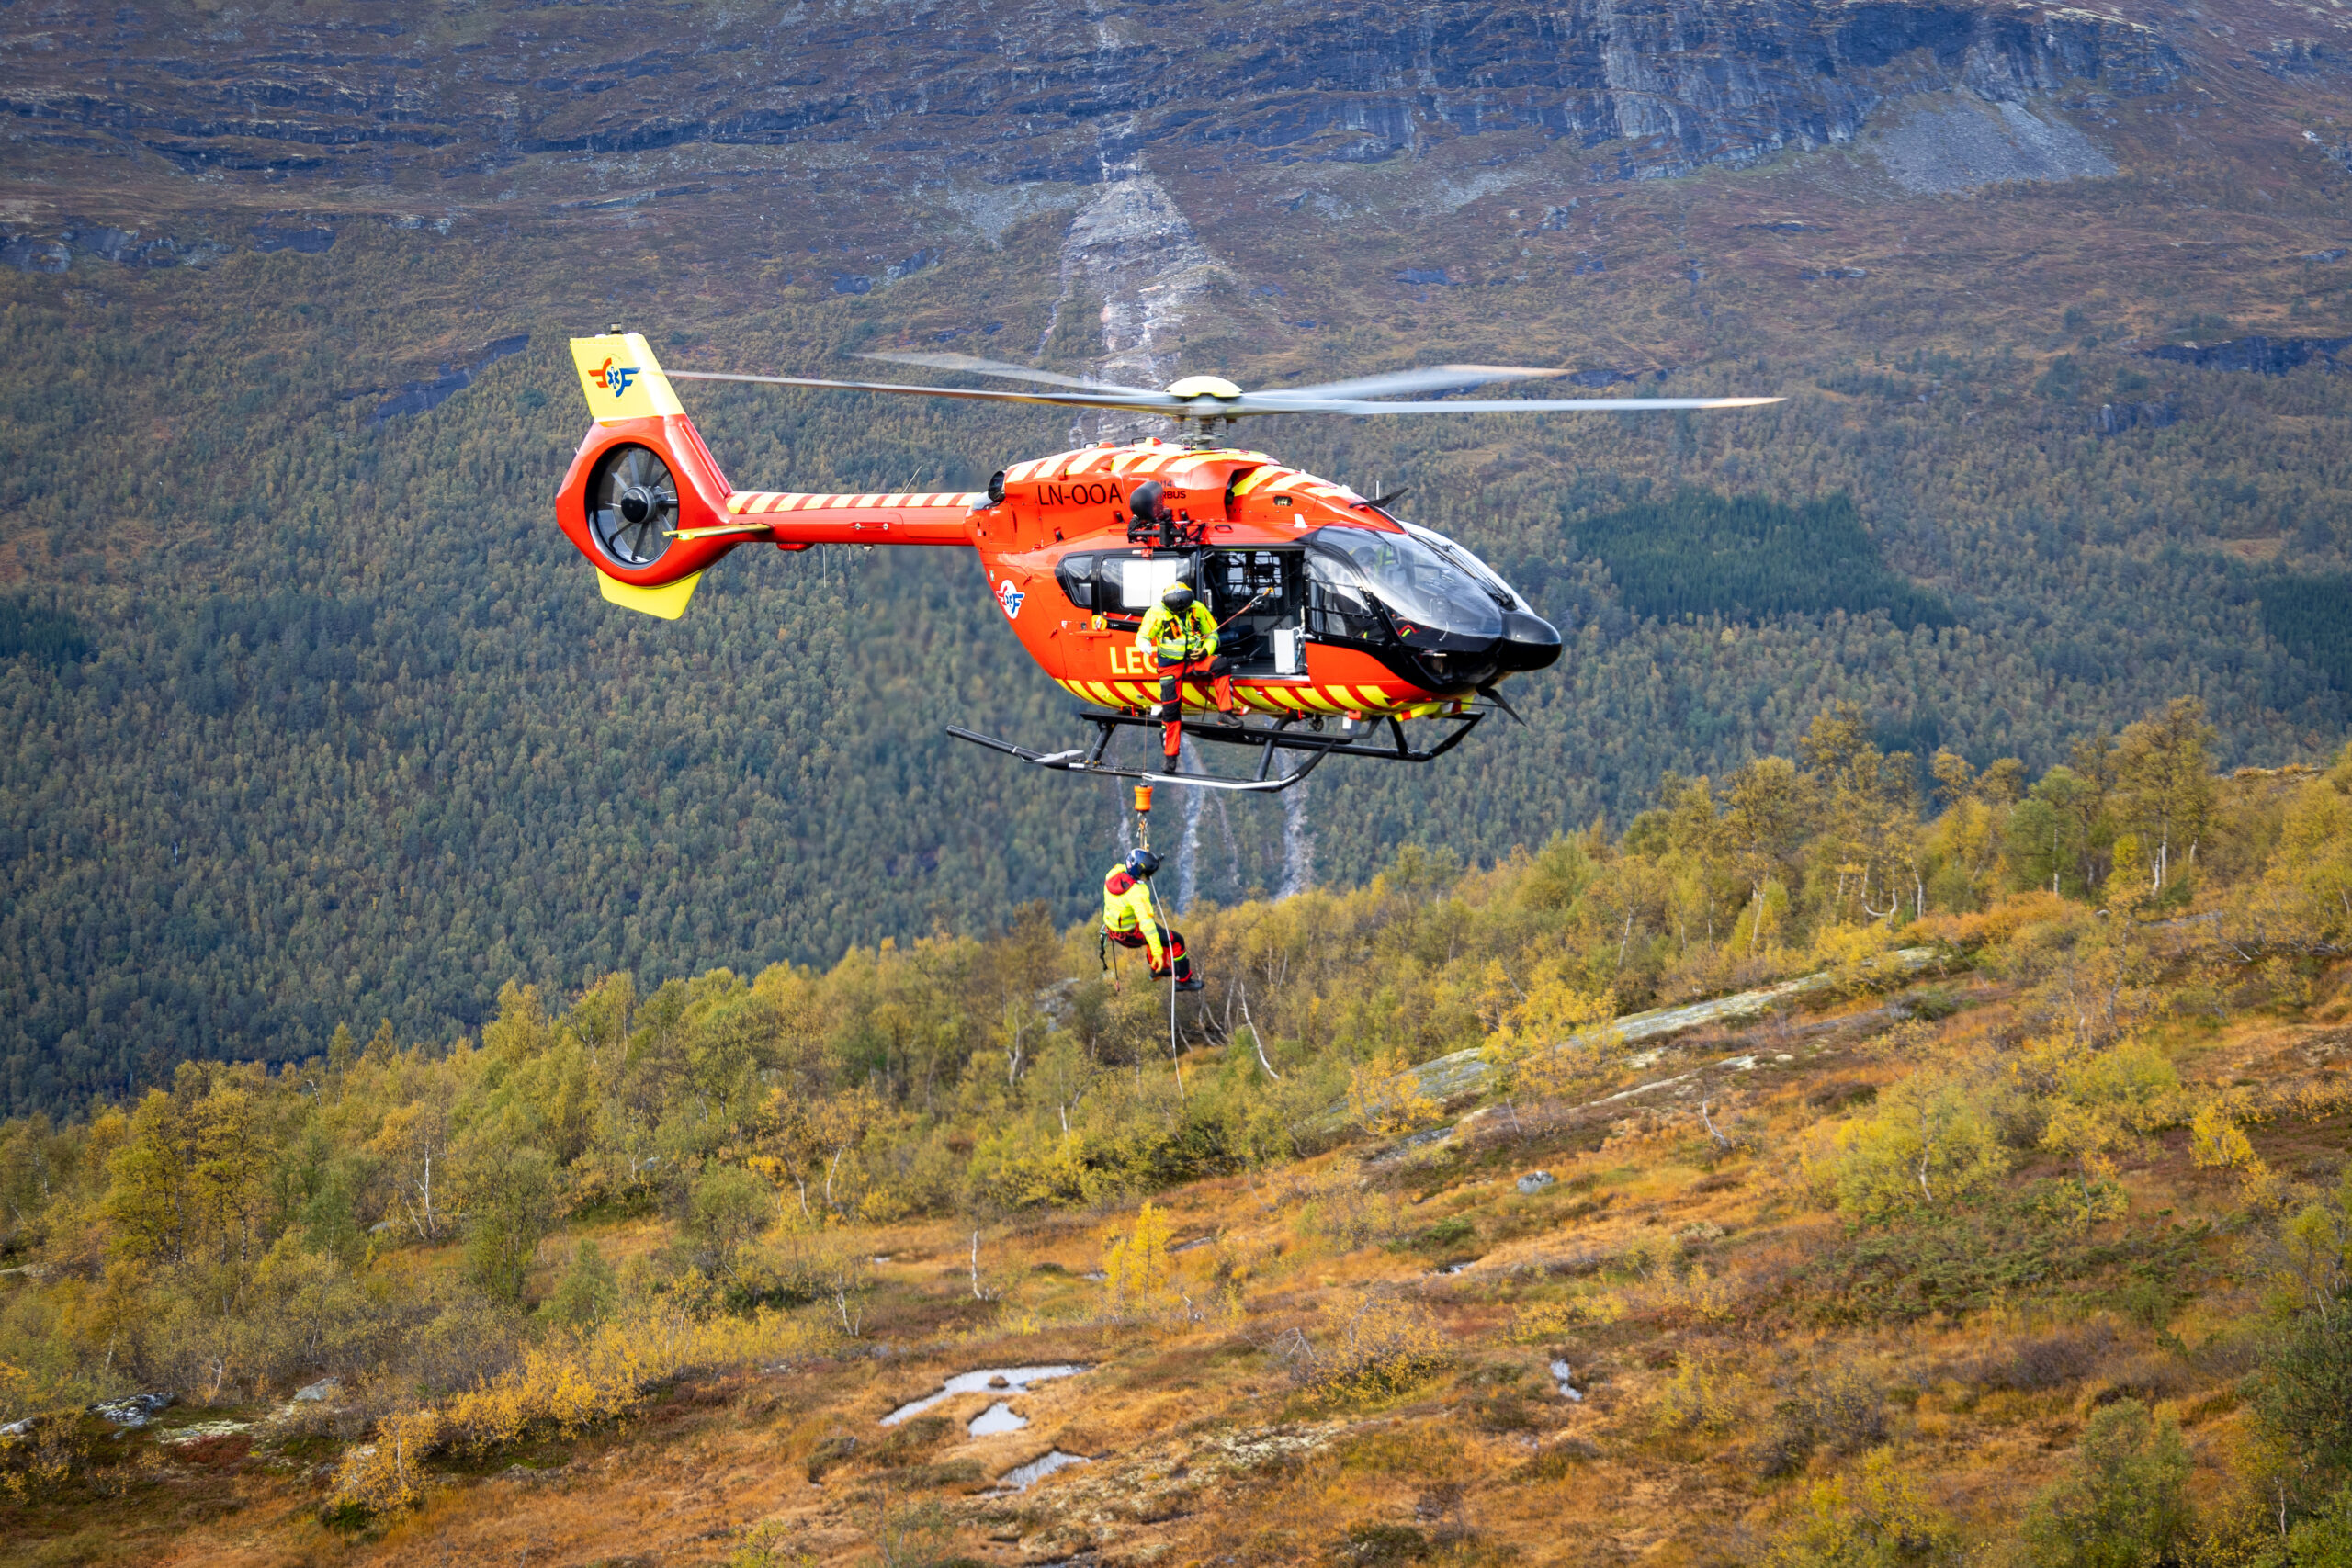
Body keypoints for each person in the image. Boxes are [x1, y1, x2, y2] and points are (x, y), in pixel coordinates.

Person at [1136, 580, 1239, 769]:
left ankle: (1225, 714)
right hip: (1170, 666)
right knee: (1171, 711)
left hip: (1195, 659)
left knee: (1222, 664)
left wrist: (1206, 651)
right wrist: (1145, 646)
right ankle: (1170, 757)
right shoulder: (1157, 613)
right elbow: (1143, 636)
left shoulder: (1197, 608)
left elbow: (1213, 634)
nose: (1182, 611)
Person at [1101, 849, 1202, 990]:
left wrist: (1146, 858)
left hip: (1115, 929)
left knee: (1160, 933)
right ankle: (1182, 980)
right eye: (1146, 875)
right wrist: (1157, 953)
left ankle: (1157, 969)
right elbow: (1147, 926)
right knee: (1176, 940)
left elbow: (1127, 866)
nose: (1147, 878)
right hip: (1130, 935)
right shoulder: (1138, 893)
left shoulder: (1112, 874)